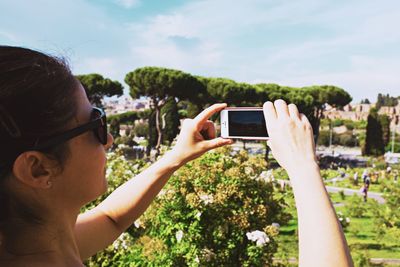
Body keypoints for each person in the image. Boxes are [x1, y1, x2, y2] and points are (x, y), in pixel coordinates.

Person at [0, 46, 353, 266]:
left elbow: (110, 218)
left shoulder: (33, 244)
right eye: (95, 123)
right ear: (37, 168)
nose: (107, 140)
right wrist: (303, 166)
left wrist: (174, 158)